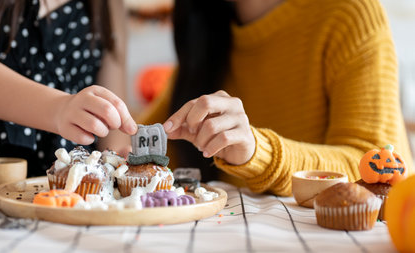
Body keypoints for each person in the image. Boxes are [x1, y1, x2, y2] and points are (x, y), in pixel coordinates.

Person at [139, 0, 413, 196]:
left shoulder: (351, 13)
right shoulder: (205, 26)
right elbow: (145, 140)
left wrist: (258, 152)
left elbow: (377, 169)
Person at [0, 0, 137, 177]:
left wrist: (117, 156)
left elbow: (112, 111)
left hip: (76, 180)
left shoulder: (110, 5)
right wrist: (59, 108)